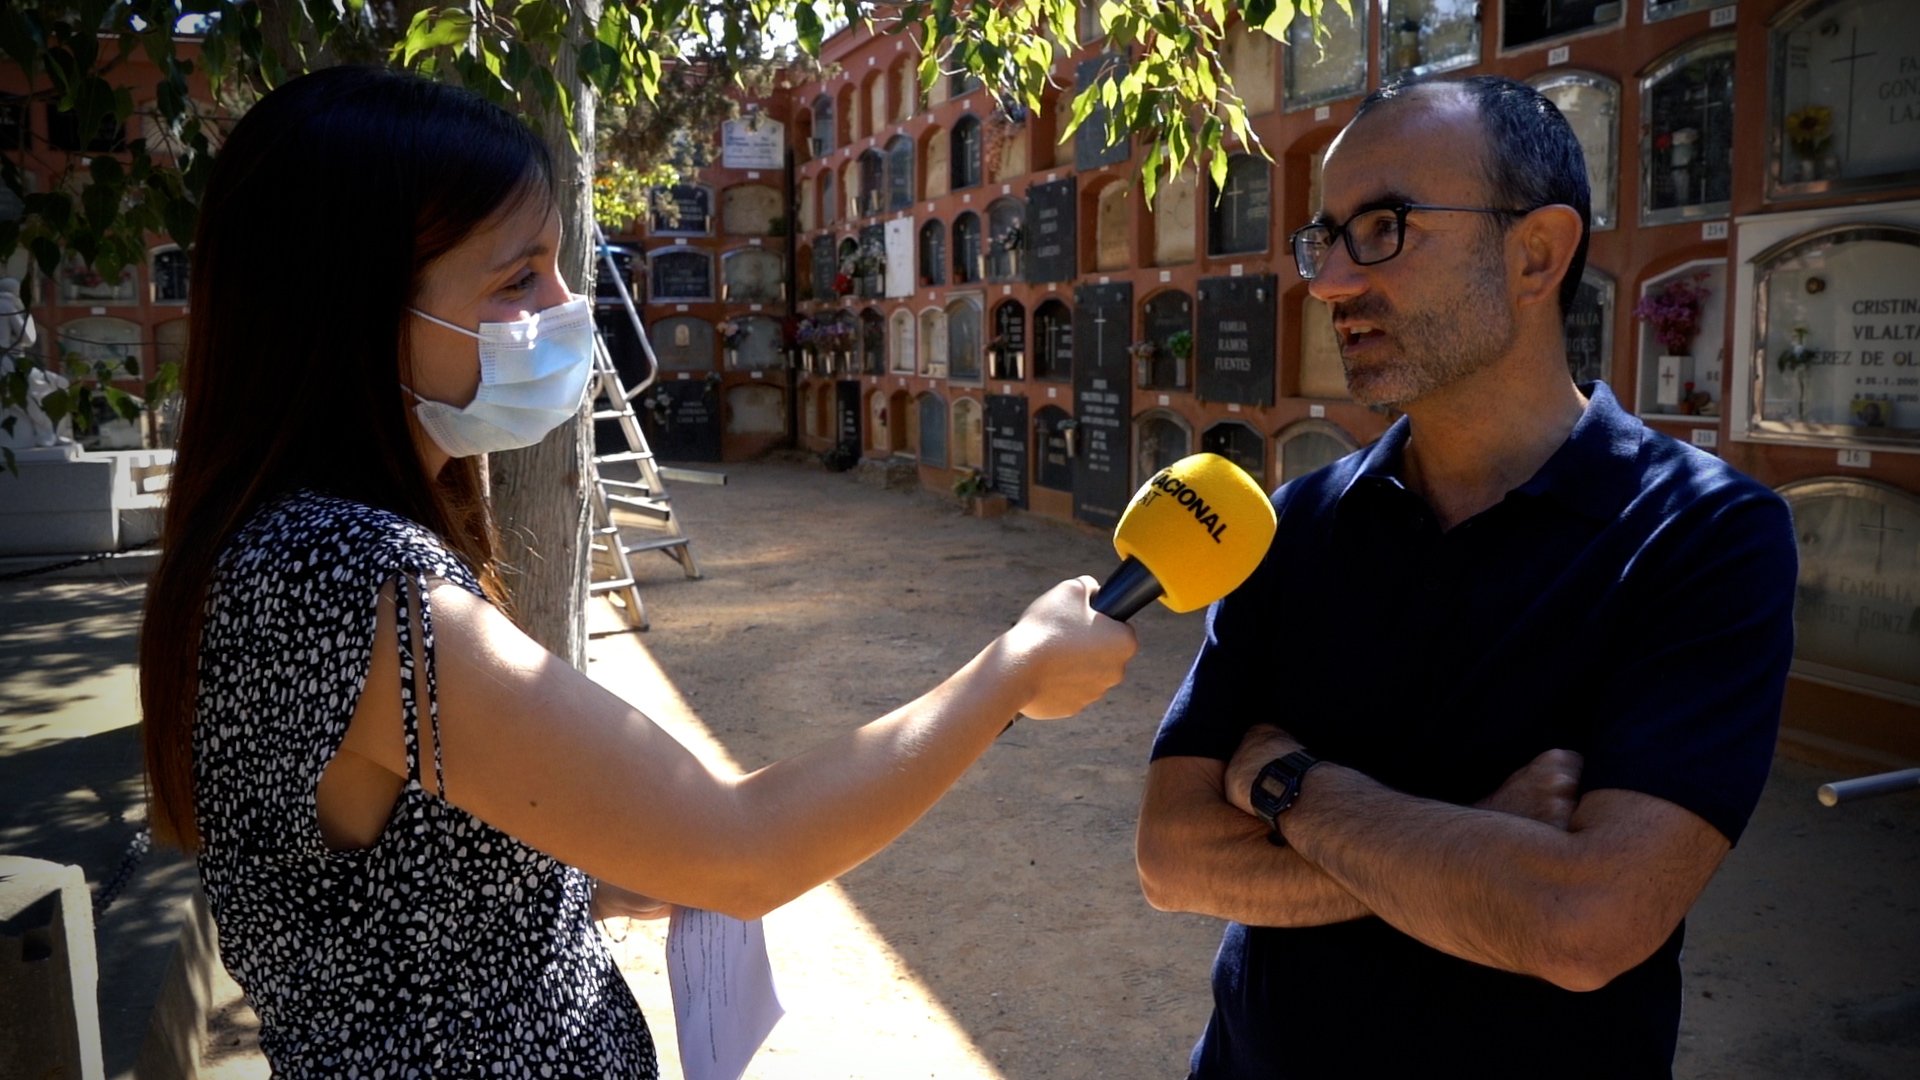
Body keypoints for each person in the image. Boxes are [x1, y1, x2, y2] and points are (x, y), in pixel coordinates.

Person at [138, 66, 1136, 1076]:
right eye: (518, 277)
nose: (567, 307)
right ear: (353, 314)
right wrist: (1012, 670)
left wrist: (584, 881)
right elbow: (745, 851)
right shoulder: (348, 578)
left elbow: (380, 898)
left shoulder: (283, 546)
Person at [1134, 75, 1797, 1079]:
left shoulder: (1706, 536)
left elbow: (1583, 923)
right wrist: (1480, 846)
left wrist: (1292, 790)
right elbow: (1173, 854)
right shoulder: (1295, 526)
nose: (1330, 283)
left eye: (1385, 227)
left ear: (1534, 254)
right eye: (1327, 236)